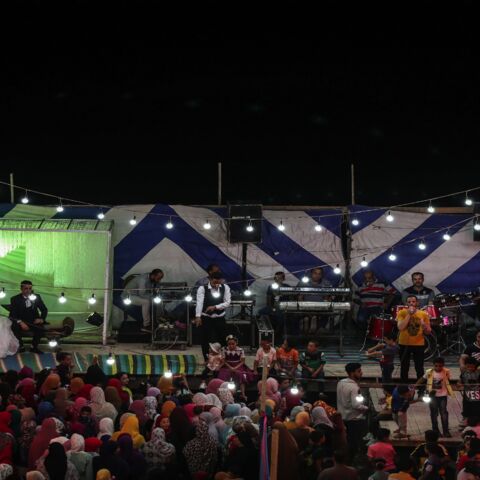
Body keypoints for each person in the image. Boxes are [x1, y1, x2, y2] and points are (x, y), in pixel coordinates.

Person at [194, 272, 231, 361]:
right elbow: (199, 303)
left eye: (218, 282)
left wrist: (215, 307)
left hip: (220, 317)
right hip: (206, 317)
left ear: (221, 281)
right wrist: (198, 316)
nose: (216, 284)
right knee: (205, 339)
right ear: (210, 280)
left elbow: (227, 302)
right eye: (214, 282)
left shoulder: (225, 287)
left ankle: (223, 360)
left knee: (223, 338)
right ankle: (207, 360)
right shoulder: (202, 288)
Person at [396, 294, 431, 383]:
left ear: (417, 303)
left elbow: (428, 332)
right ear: (406, 303)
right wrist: (409, 314)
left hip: (418, 344)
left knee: (419, 367)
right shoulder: (402, 313)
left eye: (413, 301)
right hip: (404, 344)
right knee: (404, 366)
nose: (411, 303)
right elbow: (400, 327)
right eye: (409, 302)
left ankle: (421, 390)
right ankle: (404, 389)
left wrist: (424, 326)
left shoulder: (423, 314)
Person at [336, 363, 368, 459]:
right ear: (352, 373)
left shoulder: (340, 382)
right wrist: (366, 408)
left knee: (346, 441)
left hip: (342, 417)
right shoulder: (354, 387)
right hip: (353, 419)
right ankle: (352, 460)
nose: (361, 373)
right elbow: (356, 405)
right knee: (354, 443)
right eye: (359, 371)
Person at [416, 357, 453, 437]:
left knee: (444, 413)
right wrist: (415, 386)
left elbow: (448, 381)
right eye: (436, 366)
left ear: (443, 365)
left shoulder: (446, 371)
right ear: (433, 365)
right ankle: (435, 430)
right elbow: (422, 379)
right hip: (432, 396)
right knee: (434, 413)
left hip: (443, 395)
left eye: (440, 366)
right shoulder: (429, 372)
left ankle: (446, 431)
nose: (438, 368)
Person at [9, 280, 48, 354]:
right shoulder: (15, 299)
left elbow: (44, 309)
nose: (28, 290)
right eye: (26, 288)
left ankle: (34, 347)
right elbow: (12, 315)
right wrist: (20, 322)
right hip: (21, 321)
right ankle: (21, 346)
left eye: (30, 288)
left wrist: (41, 319)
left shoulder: (37, 297)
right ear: (21, 289)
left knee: (41, 328)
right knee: (14, 326)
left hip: (34, 321)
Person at [297, 267, 332, 333]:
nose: (317, 275)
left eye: (319, 274)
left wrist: (324, 306)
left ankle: (317, 331)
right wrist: (302, 307)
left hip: (321, 308)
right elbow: (299, 297)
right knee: (296, 316)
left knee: (327, 314)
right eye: (315, 273)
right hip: (305, 308)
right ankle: (306, 328)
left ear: (322, 275)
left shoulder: (326, 283)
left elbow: (327, 298)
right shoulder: (303, 282)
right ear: (311, 274)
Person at [458, 357, 480, 425]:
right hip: (467, 394)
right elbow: (460, 381)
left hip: (477, 394)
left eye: (472, 367)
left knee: (476, 408)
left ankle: (477, 421)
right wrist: (459, 384)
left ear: (475, 366)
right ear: (465, 366)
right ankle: (466, 420)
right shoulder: (464, 373)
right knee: (466, 408)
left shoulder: (478, 373)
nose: (470, 368)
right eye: (468, 367)